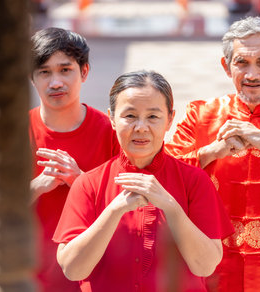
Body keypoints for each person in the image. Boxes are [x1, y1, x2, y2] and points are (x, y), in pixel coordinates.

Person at [53, 70, 234, 291]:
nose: (140, 127)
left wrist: (170, 206)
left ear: (169, 120)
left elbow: (205, 266)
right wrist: (113, 211)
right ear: (111, 118)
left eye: (153, 116)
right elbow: (73, 270)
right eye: (129, 116)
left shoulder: (194, 180)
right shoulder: (88, 183)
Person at [0, 27, 120, 291]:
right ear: (32, 77)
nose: (55, 83)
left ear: (84, 72)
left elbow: (136, 218)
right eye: (44, 72)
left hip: (95, 282)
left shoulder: (111, 132)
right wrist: (36, 187)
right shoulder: (12, 136)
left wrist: (81, 183)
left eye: (65, 70)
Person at [165, 16, 260, 291]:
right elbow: (164, 174)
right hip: (215, 269)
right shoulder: (200, 115)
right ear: (226, 67)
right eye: (242, 63)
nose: (251, 75)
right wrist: (213, 151)